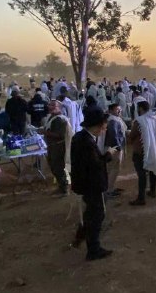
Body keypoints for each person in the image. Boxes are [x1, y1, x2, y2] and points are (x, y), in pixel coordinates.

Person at [69, 109, 116, 261]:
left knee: (91, 211)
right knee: (97, 215)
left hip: (85, 183)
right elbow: (95, 165)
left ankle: (81, 235)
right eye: (103, 127)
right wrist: (109, 155)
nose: (105, 130)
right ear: (96, 126)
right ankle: (93, 249)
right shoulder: (87, 142)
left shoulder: (80, 137)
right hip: (92, 185)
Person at [127, 100, 156, 206]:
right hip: (155, 149)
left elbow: (132, 136)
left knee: (142, 174)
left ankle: (141, 198)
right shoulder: (155, 118)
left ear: (140, 109)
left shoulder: (139, 121)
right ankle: (153, 191)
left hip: (141, 151)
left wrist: (129, 135)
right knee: (152, 170)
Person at [44, 100, 72, 196]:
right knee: (53, 166)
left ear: (59, 108)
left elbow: (60, 135)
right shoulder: (53, 117)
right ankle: (61, 186)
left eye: (53, 105)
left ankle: (64, 189)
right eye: (50, 105)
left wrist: (45, 133)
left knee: (59, 167)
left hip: (58, 147)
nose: (50, 106)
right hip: (53, 146)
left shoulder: (60, 119)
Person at [102, 103, 127, 198]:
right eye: (117, 110)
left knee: (113, 169)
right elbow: (113, 134)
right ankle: (108, 191)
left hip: (114, 147)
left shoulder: (114, 118)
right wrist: (118, 147)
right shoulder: (112, 120)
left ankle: (110, 188)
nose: (120, 111)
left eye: (120, 109)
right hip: (114, 148)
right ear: (111, 110)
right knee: (113, 169)